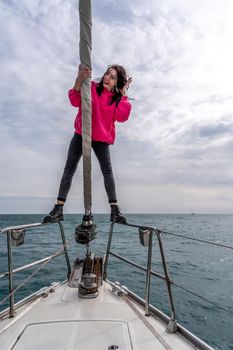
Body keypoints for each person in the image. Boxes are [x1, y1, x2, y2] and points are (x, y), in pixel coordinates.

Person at [43, 64, 132, 224]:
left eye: (112, 77)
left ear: (117, 83)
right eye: (107, 74)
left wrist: (123, 94)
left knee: (107, 171)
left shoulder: (117, 99)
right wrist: (79, 78)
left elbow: (122, 116)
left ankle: (115, 211)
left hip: (101, 138)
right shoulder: (91, 87)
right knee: (69, 168)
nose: (107, 78)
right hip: (81, 133)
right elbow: (74, 100)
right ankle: (58, 209)